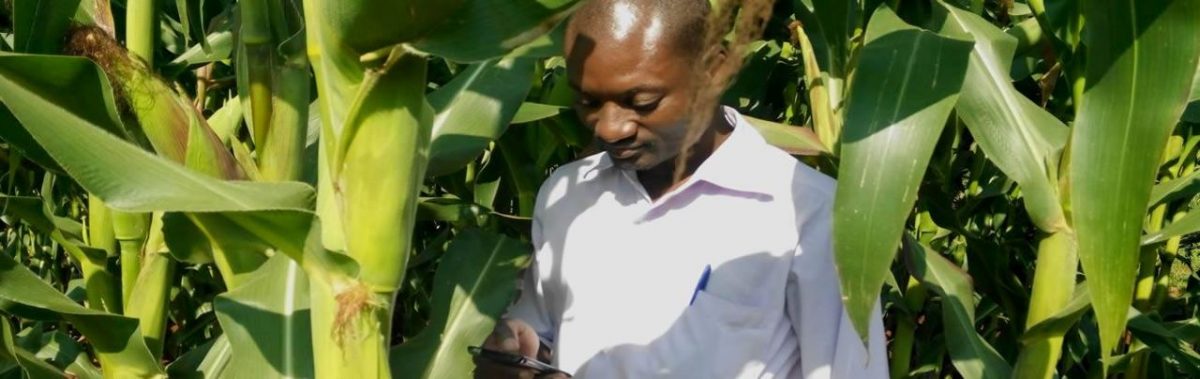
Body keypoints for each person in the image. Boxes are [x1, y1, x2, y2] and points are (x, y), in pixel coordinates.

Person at [475, 0, 887, 377]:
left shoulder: (808, 212)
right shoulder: (568, 195)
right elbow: (542, 335)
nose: (610, 129)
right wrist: (517, 353)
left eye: (642, 102)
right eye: (588, 103)